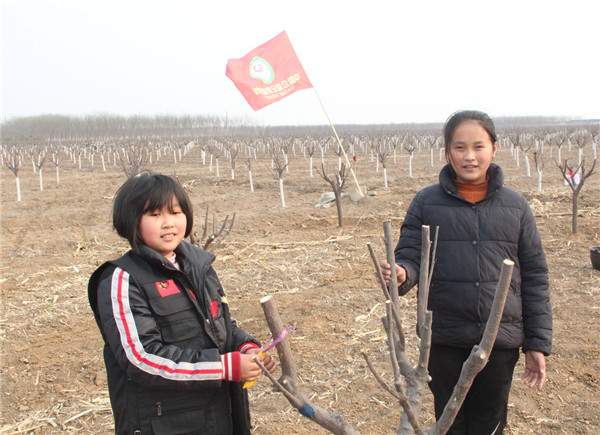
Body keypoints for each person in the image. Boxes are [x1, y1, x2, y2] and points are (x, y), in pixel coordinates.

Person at [380, 110, 552, 434]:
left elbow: (536, 277)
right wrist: (402, 273)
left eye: (478, 146)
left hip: (499, 344)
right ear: (447, 152)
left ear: (494, 149)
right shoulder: (426, 202)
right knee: (449, 423)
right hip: (444, 339)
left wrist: (537, 344)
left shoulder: (515, 207)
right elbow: (411, 256)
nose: (469, 156)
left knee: (490, 424)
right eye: (459, 147)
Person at [88, 173, 276, 435]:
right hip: (163, 423)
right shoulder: (122, 279)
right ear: (132, 221)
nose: (168, 223)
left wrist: (245, 346)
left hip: (217, 415)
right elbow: (141, 358)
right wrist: (224, 367)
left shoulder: (199, 267)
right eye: (155, 215)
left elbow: (219, 323)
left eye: (175, 212)